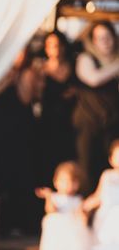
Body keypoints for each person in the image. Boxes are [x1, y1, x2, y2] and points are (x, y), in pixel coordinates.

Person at [0, 63, 46, 235]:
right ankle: (5, 224)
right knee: (2, 174)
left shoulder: (27, 72)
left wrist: (20, 77)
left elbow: (27, 98)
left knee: (22, 174)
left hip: (20, 128)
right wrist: (7, 79)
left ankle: (23, 224)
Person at [36, 161, 91, 250]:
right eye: (64, 181)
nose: (68, 185)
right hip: (55, 239)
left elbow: (82, 218)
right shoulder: (54, 198)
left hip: (72, 239)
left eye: (72, 182)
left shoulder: (78, 200)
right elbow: (51, 210)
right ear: (56, 182)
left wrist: (84, 216)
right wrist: (48, 197)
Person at [74, 21, 119, 193]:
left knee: (110, 169)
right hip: (89, 124)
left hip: (112, 124)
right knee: (87, 168)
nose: (105, 42)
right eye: (100, 38)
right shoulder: (86, 58)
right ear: (93, 41)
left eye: (108, 37)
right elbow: (93, 79)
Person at [40, 31, 78, 183]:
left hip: (70, 121)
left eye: (58, 45)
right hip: (48, 123)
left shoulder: (74, 67)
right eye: (50, 45)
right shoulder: (41, 69)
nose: (55, 49)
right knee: (48, 159)